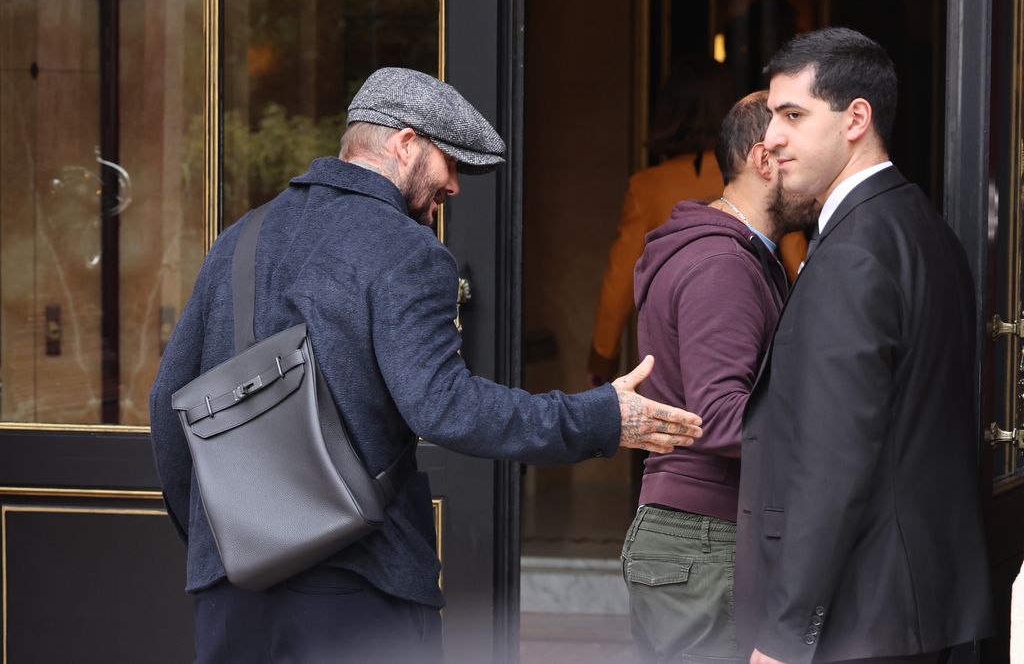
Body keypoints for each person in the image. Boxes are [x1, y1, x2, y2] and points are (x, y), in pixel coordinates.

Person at [149, 67, 703, 664]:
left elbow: (167, 402)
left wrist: (222, 538)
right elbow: (445, 406)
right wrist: (600, 418)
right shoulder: (407, 249)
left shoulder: (240, 237)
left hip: (231, 591)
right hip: (359, 586)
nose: (456, 187)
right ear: (405, 143)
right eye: (451, 163)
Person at [736, 28, 993, 664]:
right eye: (772, 116)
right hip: (922, 610)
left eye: (793, 115)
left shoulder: (853, 251)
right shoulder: (924, 226)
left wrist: (786, 636)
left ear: (857, 119)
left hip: (861, 622)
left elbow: (834, 462)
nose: (771, 138)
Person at [621, 90, 816, 663]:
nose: (819, 176)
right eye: (801, 157)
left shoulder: (739, 254)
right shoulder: (722, 267)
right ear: (763, 160)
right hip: (704, 540)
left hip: (695, 540)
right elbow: (724, 419)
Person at [587, 58, 735, 386]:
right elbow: (795, 264)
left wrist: (603, 360)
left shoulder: (647, 187)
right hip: (748, 338)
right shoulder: (753, 175)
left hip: (670, 353)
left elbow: (619, 282)